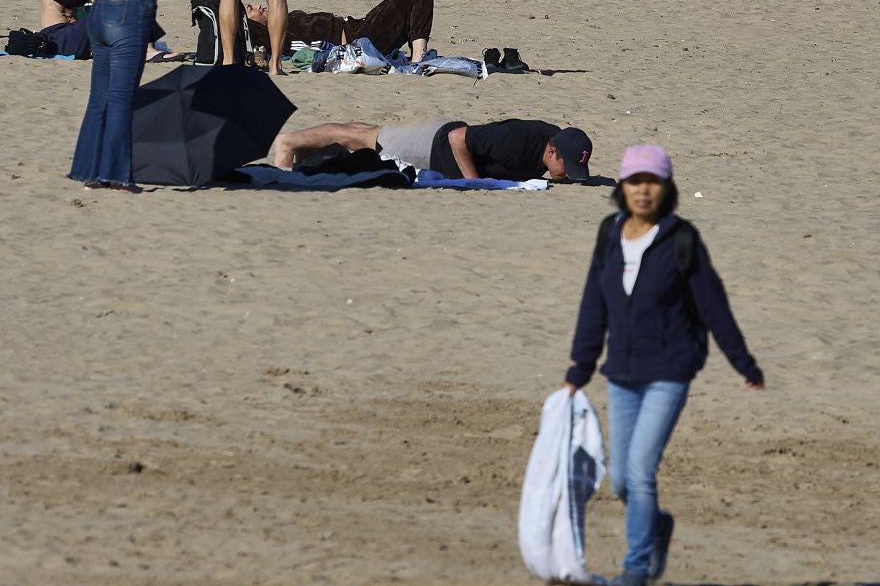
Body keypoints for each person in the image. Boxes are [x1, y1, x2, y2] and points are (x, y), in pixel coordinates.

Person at [562, 144, 763, 586]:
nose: (643, 190)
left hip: (669, 372)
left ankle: (636, 570)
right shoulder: (609, 234)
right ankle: (655, 528)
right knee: (619, 483)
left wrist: (743, 363)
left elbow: (714, 306)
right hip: (622, 374)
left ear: (666, 188)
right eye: (635, 181)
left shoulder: (682, 239)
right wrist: (580, 368)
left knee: (639, 472)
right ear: (623, 187)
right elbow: (594, 304)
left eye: (653, 182)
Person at [65, 0, 174, 193]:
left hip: (102, 7)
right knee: (120, 98)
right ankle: (117, 175)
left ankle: (89, 171)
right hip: (131, 7)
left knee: (98, 98)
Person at [266, 117, 593, 181]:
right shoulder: (518, 142)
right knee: (365, 139)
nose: (569, 176)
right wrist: (472, 181)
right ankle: (289, 143)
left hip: (442, 136)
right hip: (436, 144)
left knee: (367, 132)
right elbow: (459, 139)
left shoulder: (555, 140)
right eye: (569, 169)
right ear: (552, 153)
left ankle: (303, 148)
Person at [243, 0, 437, 64]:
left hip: (358, 26)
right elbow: (247, 37)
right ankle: (418, 59)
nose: (259, 5)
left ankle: (418, 56)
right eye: (251, 9)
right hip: (359, 42)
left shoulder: (285, 19)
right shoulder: (273, 37)